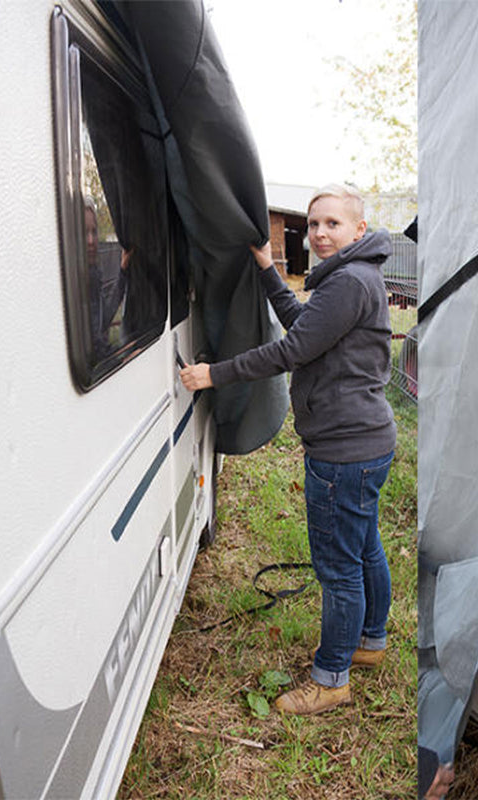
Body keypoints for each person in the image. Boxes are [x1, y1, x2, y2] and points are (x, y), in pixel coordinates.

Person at [180, 184, 396, 714]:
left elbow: (292, 349)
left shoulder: (348, 282)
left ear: (358, 231)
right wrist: (266, 268)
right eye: (315, 223)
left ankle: (331, 679)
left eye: (333, 224)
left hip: (343, 450)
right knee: (363, 546)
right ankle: (370, 641)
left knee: (339, 566)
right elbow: (304, 324)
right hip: (365, 442)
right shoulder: (352, 278)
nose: (321, 233)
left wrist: (214, 373)